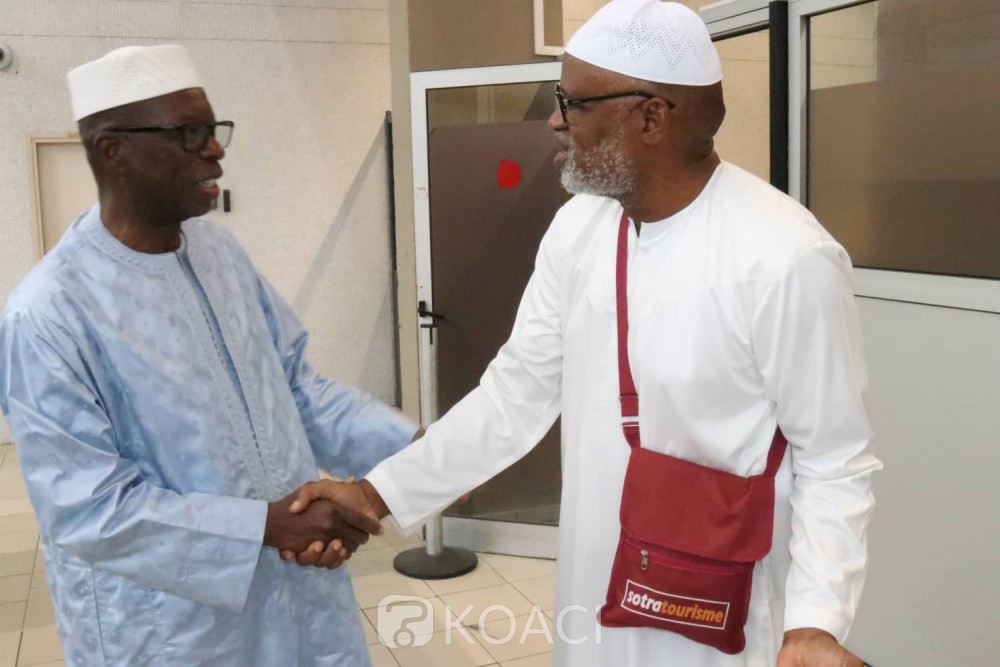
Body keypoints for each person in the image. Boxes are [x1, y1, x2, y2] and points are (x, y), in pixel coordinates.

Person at [287, 2, 882, 666]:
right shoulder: (579, 229)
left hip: (721, 614)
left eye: (572, 103)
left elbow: (835, 457)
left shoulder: (784, 257)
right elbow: (512, 398)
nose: (554, 120)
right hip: (595, 592)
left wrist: (815, 622)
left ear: (650, 118)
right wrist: (376, 494)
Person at [0, 44, 416, 666]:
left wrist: (415, 450)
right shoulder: (48, 313)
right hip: (170, 626)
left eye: (214, 129)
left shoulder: (219, 255)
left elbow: (296, 389)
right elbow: (88, 510)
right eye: (189, 133)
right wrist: (267, 527)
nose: (216, 150)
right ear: (113, 151)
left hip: (295, 586)